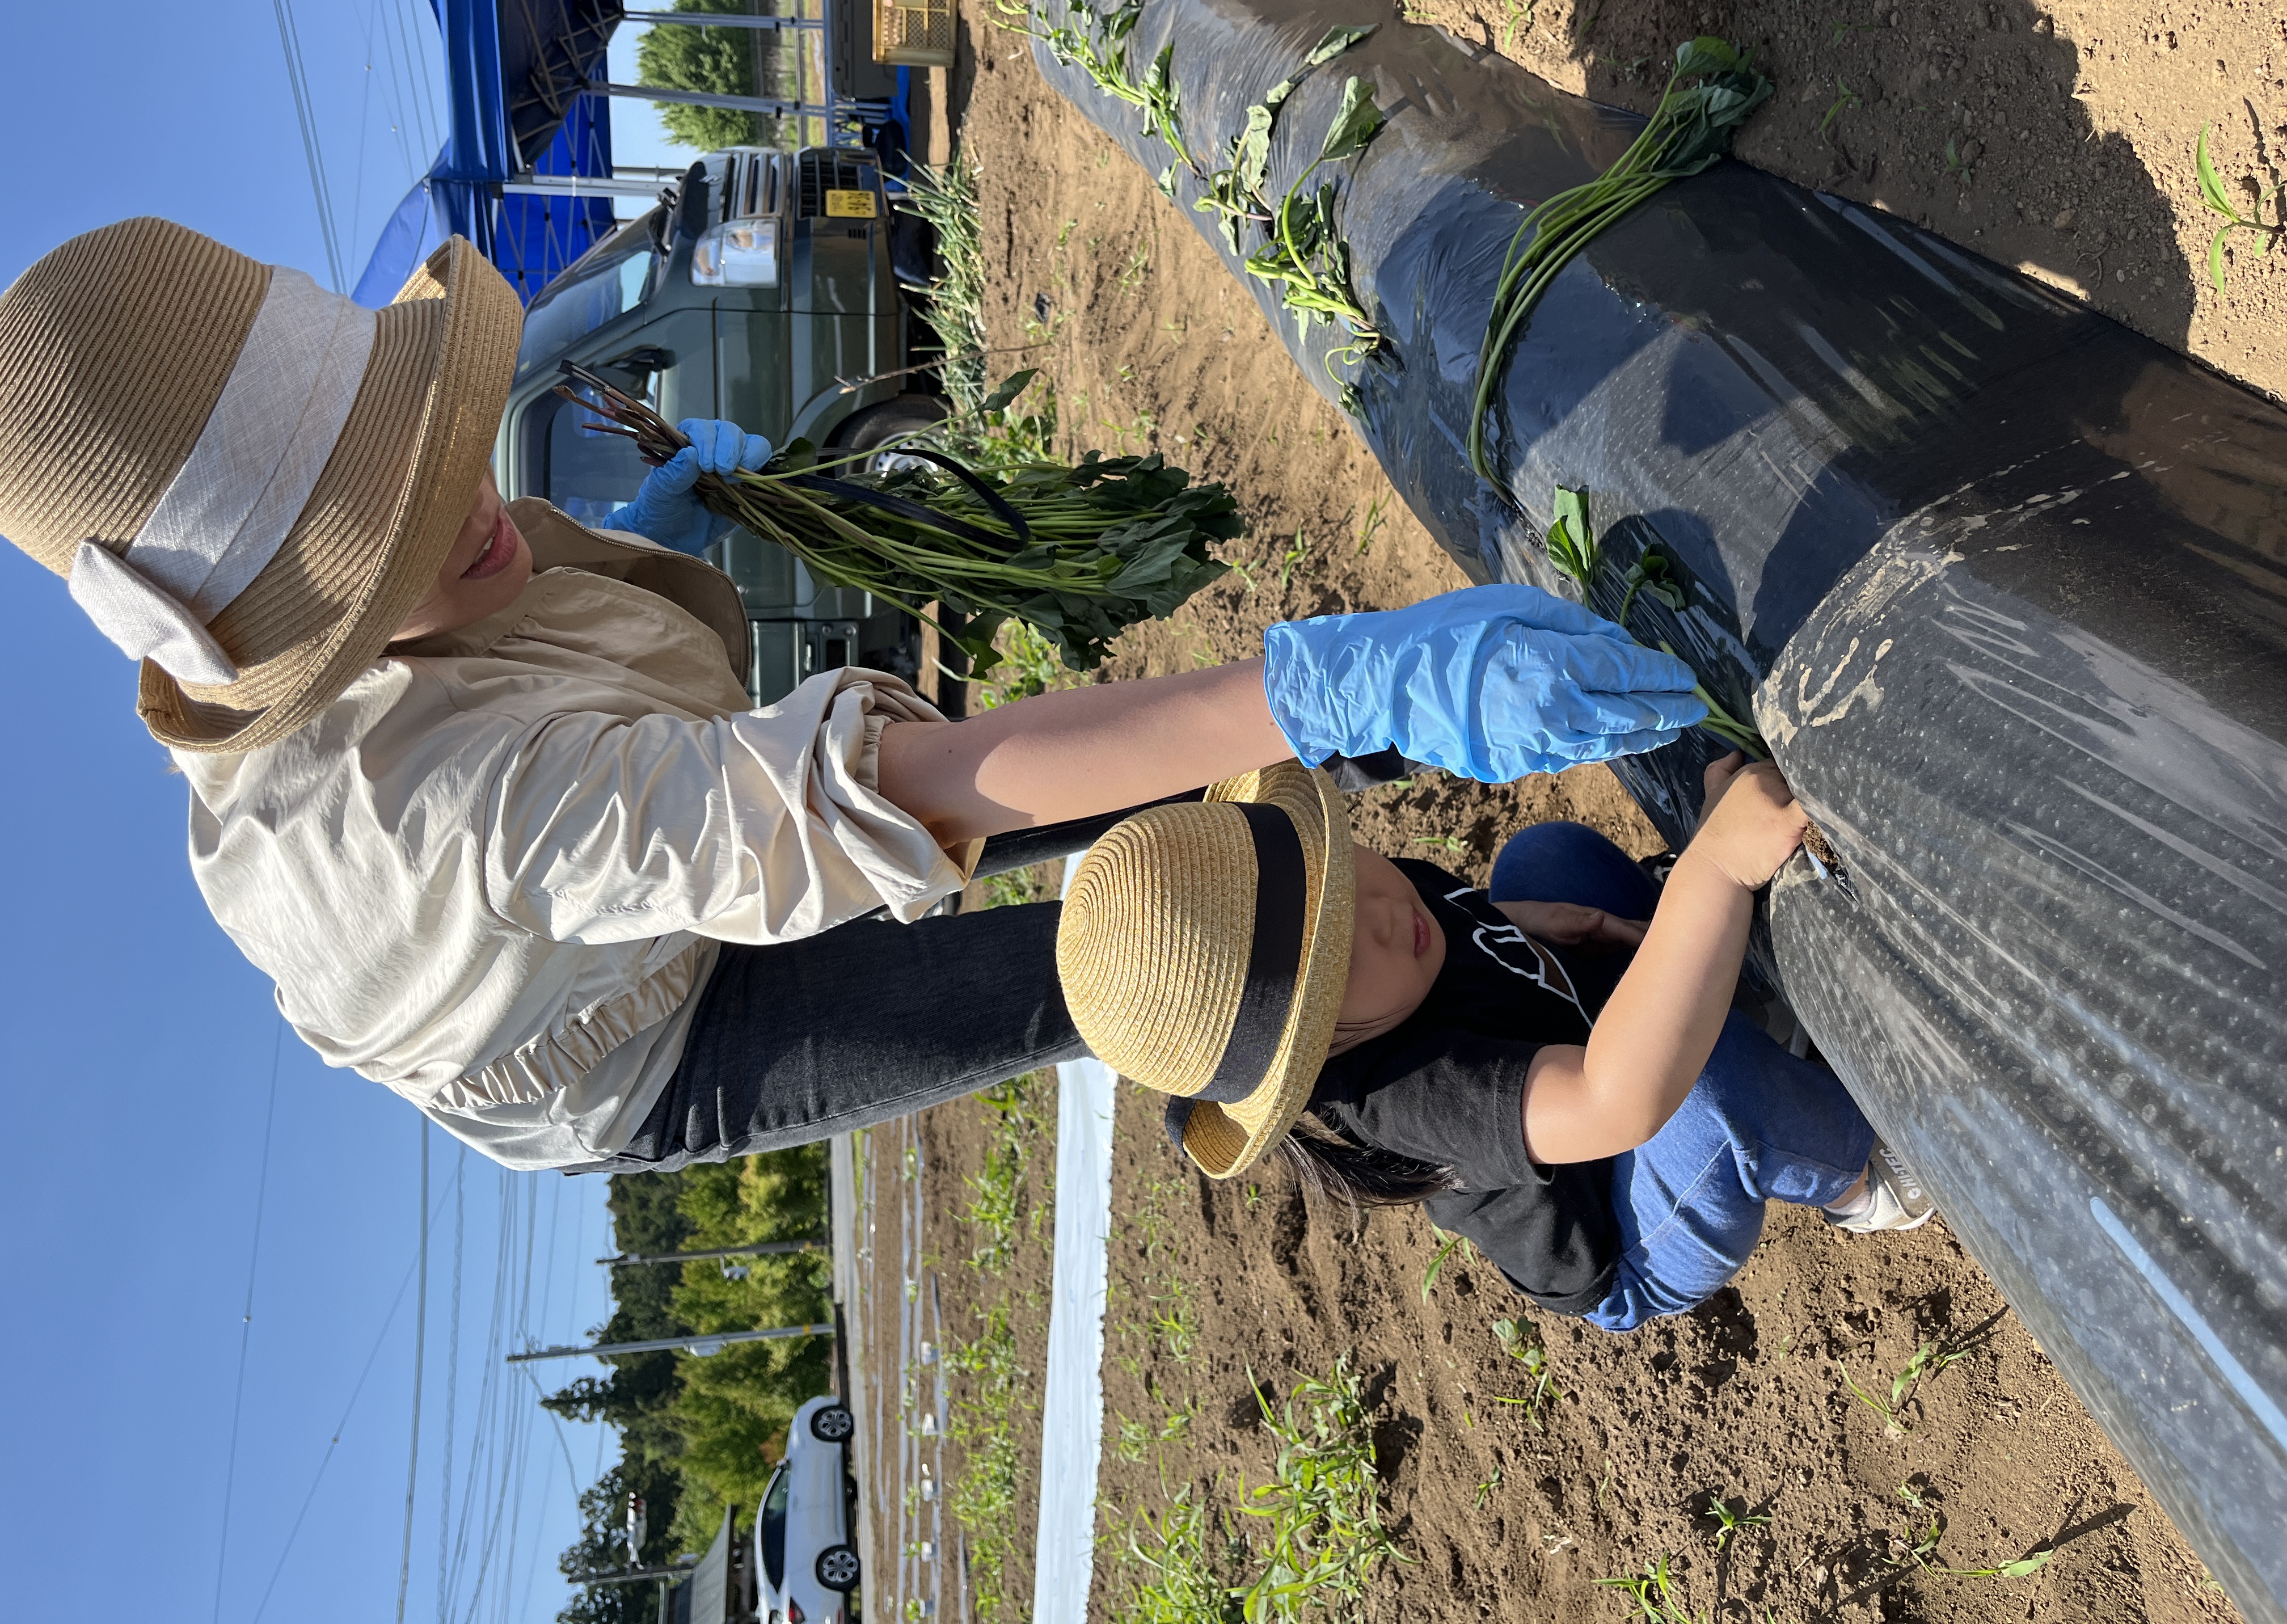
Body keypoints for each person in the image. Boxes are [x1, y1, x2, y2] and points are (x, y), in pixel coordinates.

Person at [0, 220, 1711, 1171]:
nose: (465, 496)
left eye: (427, 438)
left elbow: (575, 657)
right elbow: (899, 795)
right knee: (1145, 968)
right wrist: (1336, 684)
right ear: (304, 633)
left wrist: (656, 536)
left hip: (608, 854)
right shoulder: (426, 822)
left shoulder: (421, 584)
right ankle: (1563, 1119)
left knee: (1158, 799)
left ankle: (1533, 946)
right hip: (635, 1047)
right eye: (389, 534)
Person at [1053, 754, 1935, 1331]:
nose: (1387, 917)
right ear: (1311, 1057)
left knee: (1540, 859)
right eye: (1336, 959)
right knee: (1700, 1095)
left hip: (1573, 1036)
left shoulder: (1389, 928)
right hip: (1627, 1217)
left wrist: (1518, 920)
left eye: (1343, 872)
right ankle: (1865, 1175)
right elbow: (1617, 1100)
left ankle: (1742, 1002)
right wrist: (1715, 862)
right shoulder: (1409, 1095)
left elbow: (1461, 917)